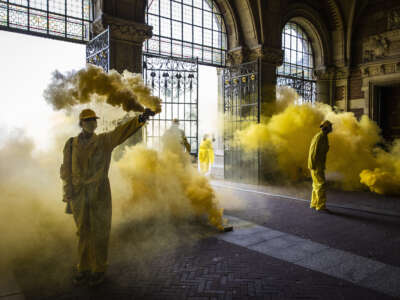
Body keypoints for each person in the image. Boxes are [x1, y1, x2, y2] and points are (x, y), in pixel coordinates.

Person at [60, 108, 153, 286]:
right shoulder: (71, 144)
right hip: (79, 195)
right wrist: (68, 195)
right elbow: (66, 171)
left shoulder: (104, 141)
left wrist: (140, 118)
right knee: (82, 232)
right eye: (87, 121)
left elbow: (121, 132)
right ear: (81, 124)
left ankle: (99, 269)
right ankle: (83, 268)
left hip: (99, 193)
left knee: (100, 233)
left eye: (93, 120)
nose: (91, 123)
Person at [308, 120, 333, 213]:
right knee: (321, 185)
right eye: (330, 126)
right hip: (316, 166)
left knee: (316, 185)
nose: (331, 128)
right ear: (326, 128)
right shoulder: (319, 137)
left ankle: (314, 203)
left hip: (319, 165)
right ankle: (321, 206)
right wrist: (312, 165)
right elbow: (313, 152)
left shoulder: (324, 137)